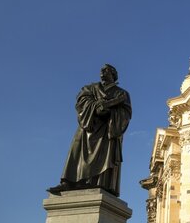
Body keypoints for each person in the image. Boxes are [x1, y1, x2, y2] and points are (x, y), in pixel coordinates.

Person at [48, 64, 132, 197]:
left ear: (113, 75)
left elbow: (126, 113)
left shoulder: (121, 93)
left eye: (106, 71)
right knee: (76, 150)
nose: (102, 73)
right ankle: (69, 181)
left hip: (107, 129)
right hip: (89, 125)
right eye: (101, 71)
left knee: (104, 153)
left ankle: (100, 182)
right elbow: (82, 101)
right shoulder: (91, 88)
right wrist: (95, 107)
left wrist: (110, 111)